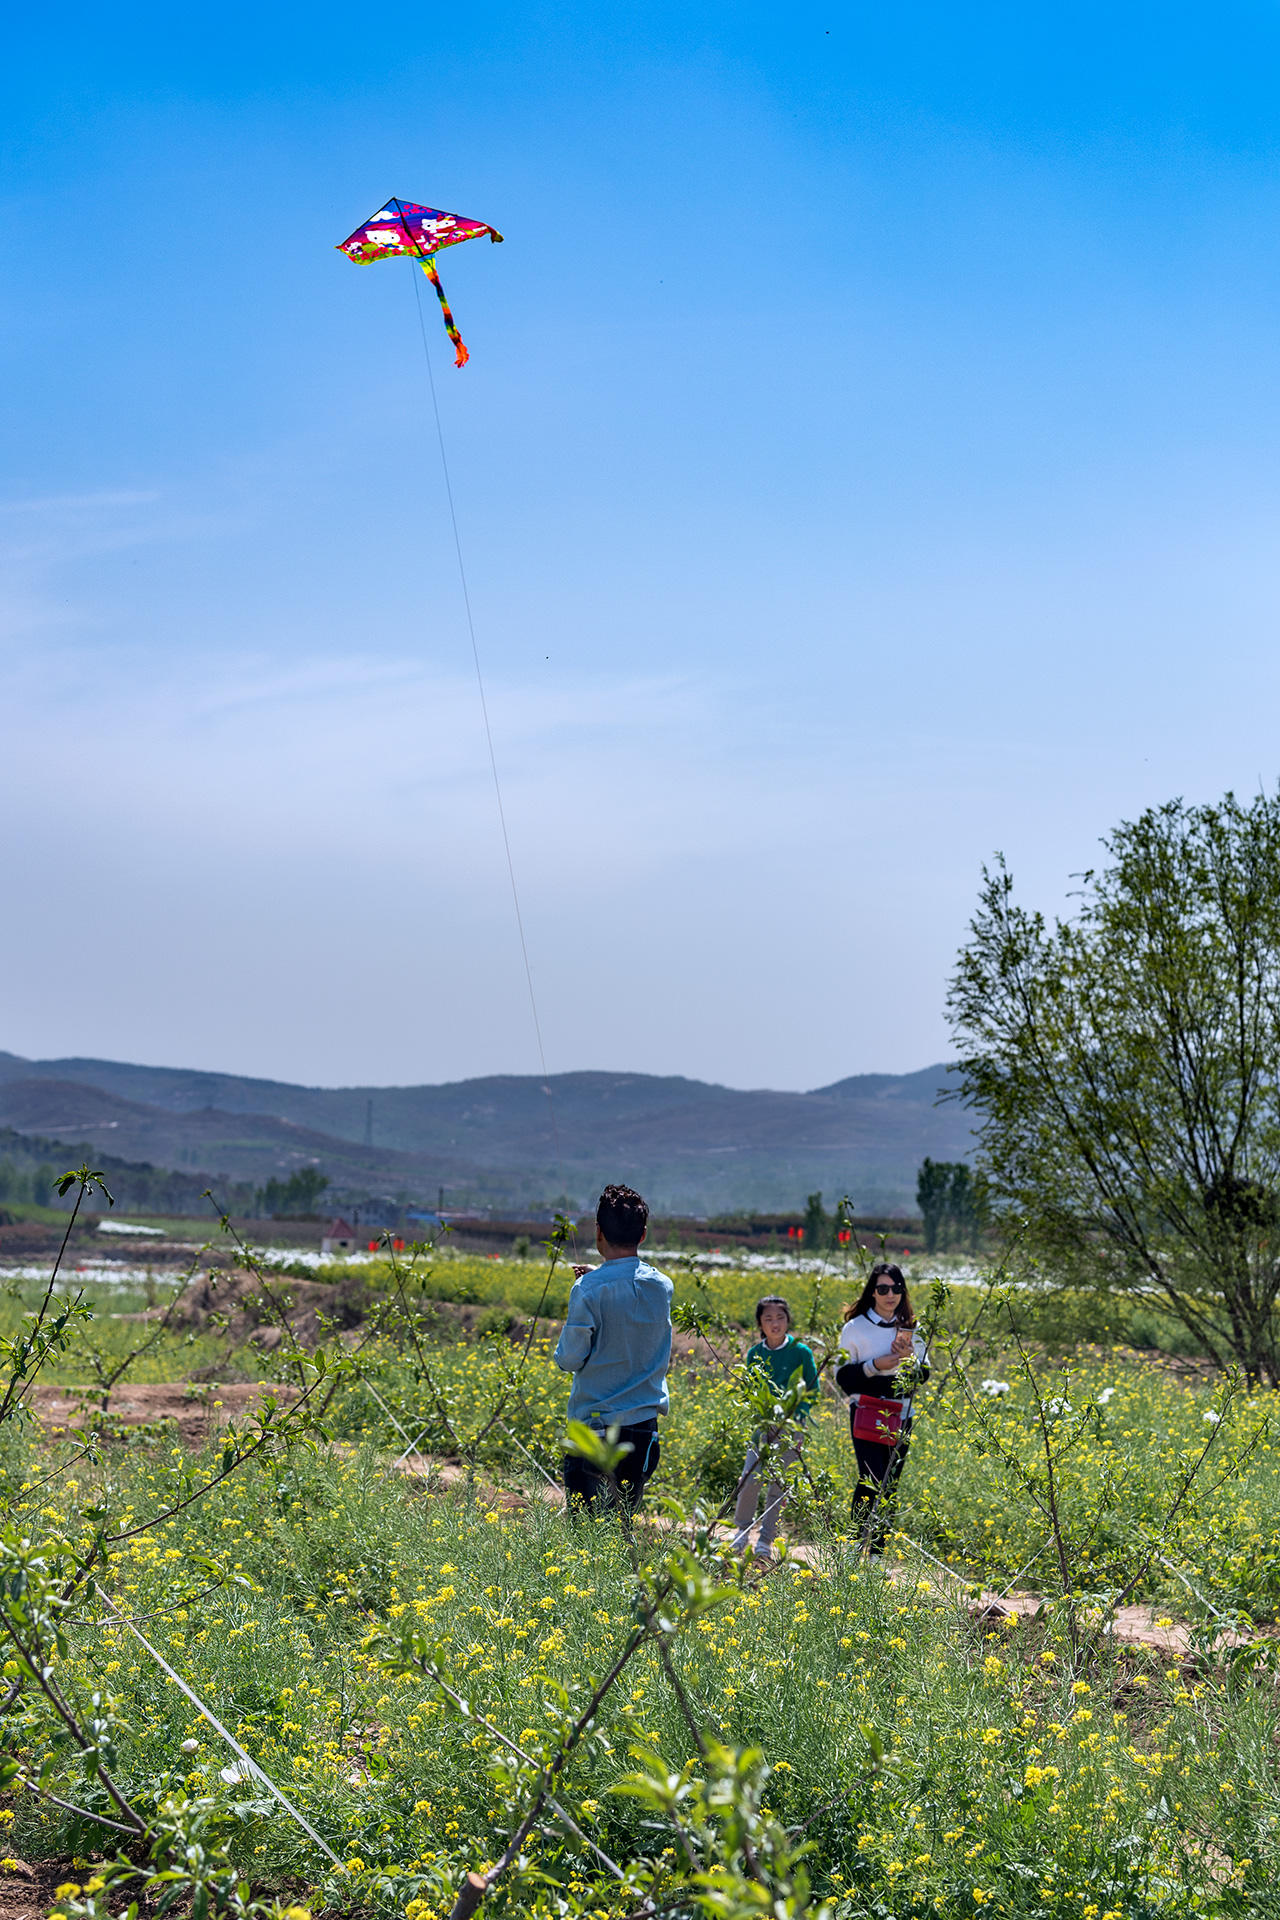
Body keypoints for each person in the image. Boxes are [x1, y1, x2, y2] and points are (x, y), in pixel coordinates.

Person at [553, 1183, 673, 1517]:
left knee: (587, 1534)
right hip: (644, 1432)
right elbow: (630, 1291)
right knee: (621, 1530)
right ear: (644, 1234)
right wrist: (600, 1278)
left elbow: (570, 1359)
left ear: (598, 1233)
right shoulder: (662, 1287)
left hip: (596, 1431)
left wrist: (591, 1283)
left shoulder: (588, 1289)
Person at [836, 1263, 928, 1553]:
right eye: (883, 1289)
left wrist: (911, 1360)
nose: (891, 1294)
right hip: (865, 1411)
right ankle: (852, 1550)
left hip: (901, 1414)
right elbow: (844, 1377)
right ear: (872, 1292)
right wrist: (877, 1366)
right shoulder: (855, 1328)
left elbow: (923, 1375)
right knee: (871, 1478)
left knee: (888, 1485)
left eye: (897, 1288)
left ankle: (876, 1555)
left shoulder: (913, 1329)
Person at [731, 1295, 820, 1561]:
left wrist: (796, 1419)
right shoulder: (754, 1354)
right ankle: (741, 1532)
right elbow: (751, 1392)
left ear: (788, 1320)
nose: (775, 1323)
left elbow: (812, 1391)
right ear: (759, 1323)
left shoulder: (801, 1353)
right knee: (749, 1480)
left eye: (780, 1317)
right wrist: (763, 1419)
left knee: (778, 1486)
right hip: (762, 1427)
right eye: (768, 1318)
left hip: (791, 1428)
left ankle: (765, 1542)